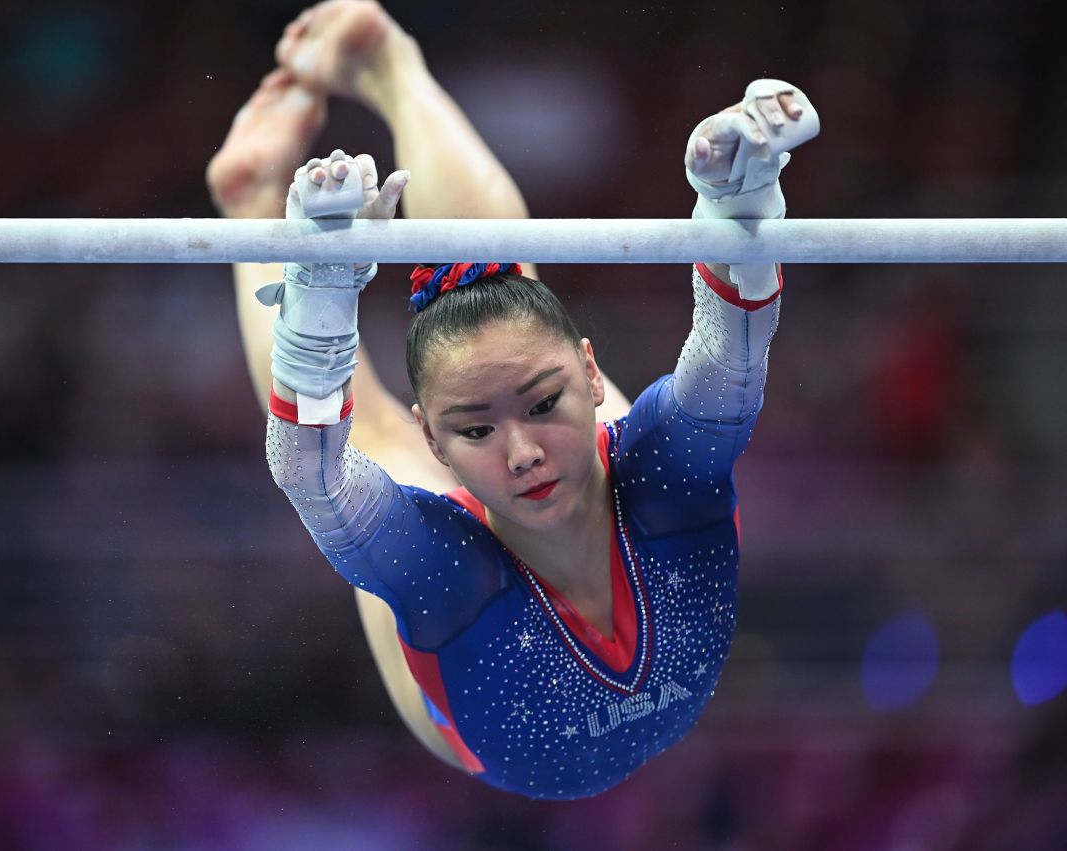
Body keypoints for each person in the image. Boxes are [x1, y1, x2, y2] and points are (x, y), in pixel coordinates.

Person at [207, 0, 814, 799]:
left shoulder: (661, 473)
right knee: (373, 429)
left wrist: (739, 207)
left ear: (594, 379)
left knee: (505, 302)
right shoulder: (448, 570)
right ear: (442, 441)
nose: (522, 452)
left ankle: (388, 65)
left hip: (592, 483)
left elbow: (730, 364)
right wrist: (319, 304)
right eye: (475, 428)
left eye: (544, 406)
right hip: (472, 704)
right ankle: (255, 208)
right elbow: (313, 474)